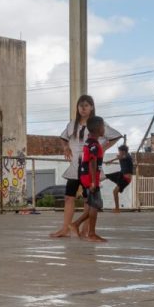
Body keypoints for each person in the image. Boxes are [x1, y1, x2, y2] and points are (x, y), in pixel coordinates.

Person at [48, 95, 122, 238]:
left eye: (86, 105)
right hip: (75, 166)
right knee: (69, 197)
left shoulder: (97, 123)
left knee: (89, 200)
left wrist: (103, 148)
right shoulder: (72, 124)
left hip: (89, 167)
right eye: (80, 105)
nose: (83, 108)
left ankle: (85, 230)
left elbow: (115, 136)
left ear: (92, 107)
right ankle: (65, 229)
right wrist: (66, 148)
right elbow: (63, 138)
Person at [77, 117, 108, 242]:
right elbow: (92, 162)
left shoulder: (89, 142)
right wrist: (94, 181)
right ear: (98, 128)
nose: (104, 129)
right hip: (90, 178)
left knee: (93, 205)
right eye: (103, 126)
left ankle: (75, 224)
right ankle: (92, 233)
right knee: (95, 205)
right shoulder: (94, 144)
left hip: (86, 176)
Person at [107, 143, 135, 211]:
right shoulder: (122, 156)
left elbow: (123, 157)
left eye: (119, 151)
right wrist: (111, 161)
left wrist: (118, 158)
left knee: (115, 191)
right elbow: (119, 157)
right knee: (107, 176)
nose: (118, 152)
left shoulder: (128, 156)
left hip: (126, 179)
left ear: (123, 151)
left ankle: (117, 208)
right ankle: (99, 180)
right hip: (121, 176)